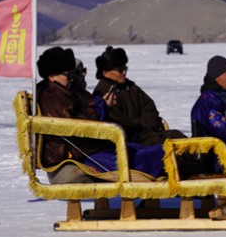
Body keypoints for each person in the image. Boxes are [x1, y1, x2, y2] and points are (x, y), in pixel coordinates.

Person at [35, 46, 165, 179]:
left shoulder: (67, 90)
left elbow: (88, 103)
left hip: (92, 147)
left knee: (146, 150)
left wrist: (102, 104)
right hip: (79, 152)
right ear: (51, 76)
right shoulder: (51, 96)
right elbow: (76, 124)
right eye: (68, 75)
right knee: (151, 155)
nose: (71, 79)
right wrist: (102, 107)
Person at [92, 46, 185, 146]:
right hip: (128, 142)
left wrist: (146, 124)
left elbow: (150, 108)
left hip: (146, 135)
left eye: (125, 69)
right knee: (172, 145)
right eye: (120, 70)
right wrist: (141, 124)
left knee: (177, 137)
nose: (124, 73)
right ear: (105, 72)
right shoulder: (103, 93)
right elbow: (119, 122)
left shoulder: (130, 87)